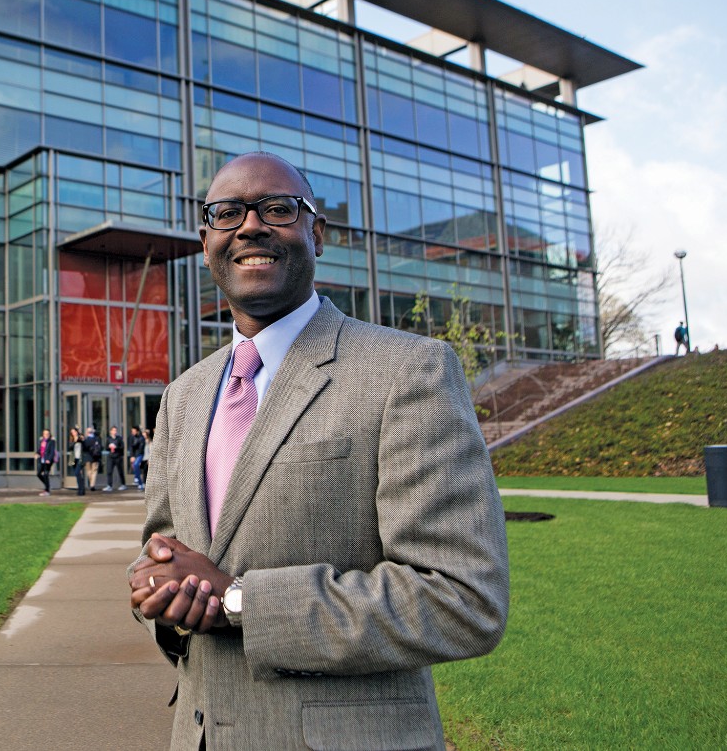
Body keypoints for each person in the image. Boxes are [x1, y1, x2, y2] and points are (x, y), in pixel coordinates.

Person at [127, 152, 509, 750]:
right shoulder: (183, 395)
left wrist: (237, 600)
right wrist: (159, 591)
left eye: (278, 208)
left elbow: (463, 599)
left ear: (318, 234)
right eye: (226, 213)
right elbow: (165, 551)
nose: (250, 226)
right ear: (207, 243)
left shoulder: (408, 371)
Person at [102, 425, 125, 492]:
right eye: (113, 430)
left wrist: (116, 447)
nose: (114, 432)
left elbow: (122, 447)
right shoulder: (108, 439)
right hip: (111, 457)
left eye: (115, 430)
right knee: (109, 471)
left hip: (118, 457)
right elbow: (106, 447)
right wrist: (109, 447)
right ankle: (109, 485)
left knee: (120, 471)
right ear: (110, 431)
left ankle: (123, 484)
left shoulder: (119, 438)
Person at [36, 428, 58, 496]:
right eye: (45, 434)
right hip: (41, 459)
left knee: (46, 474)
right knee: (39, 473)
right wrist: (37, 453)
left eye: (47, 434)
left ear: (49, 434)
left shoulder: (52, 441)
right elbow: (40, 449)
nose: (46, 435)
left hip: (48, 460)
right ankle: (47, 485)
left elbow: (52, 451)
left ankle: (47, 490)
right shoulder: (42, 441)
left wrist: (49, 459)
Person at [83, 426, 103, 491]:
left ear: (87, 432)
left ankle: (91, 484)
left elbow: (84, 448)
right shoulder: (97, 439)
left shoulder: (86, 440)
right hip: (95, 457)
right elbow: (101, 447)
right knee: (94, 471)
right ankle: (92, 485)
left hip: (88, 457)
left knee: (89, 471)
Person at [69, 426, 86, 496]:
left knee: (77, 473)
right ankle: (81, 489)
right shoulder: (72, 439)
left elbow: (85, 445)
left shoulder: (80, 438)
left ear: (77, 432)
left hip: (80, 458)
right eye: (72, 432)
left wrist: (81, 439)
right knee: (78, 474)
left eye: (74, 432)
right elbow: (70, 447)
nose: (73, 433)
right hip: (74, 459)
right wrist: (74, 442)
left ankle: (81, 490)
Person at [129, 425, 146, 490]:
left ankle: (136, 478)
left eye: (134, 431)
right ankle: (140, 484)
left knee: (136, 465)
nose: (132, 432)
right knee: (135, 466)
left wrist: (135, 457)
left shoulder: (141, 438)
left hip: (139, 455)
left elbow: (140, 449)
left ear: (137, 431)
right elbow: (131, 447)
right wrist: (132, 456)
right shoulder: (132, 437)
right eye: (132, 431)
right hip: (134, 455)